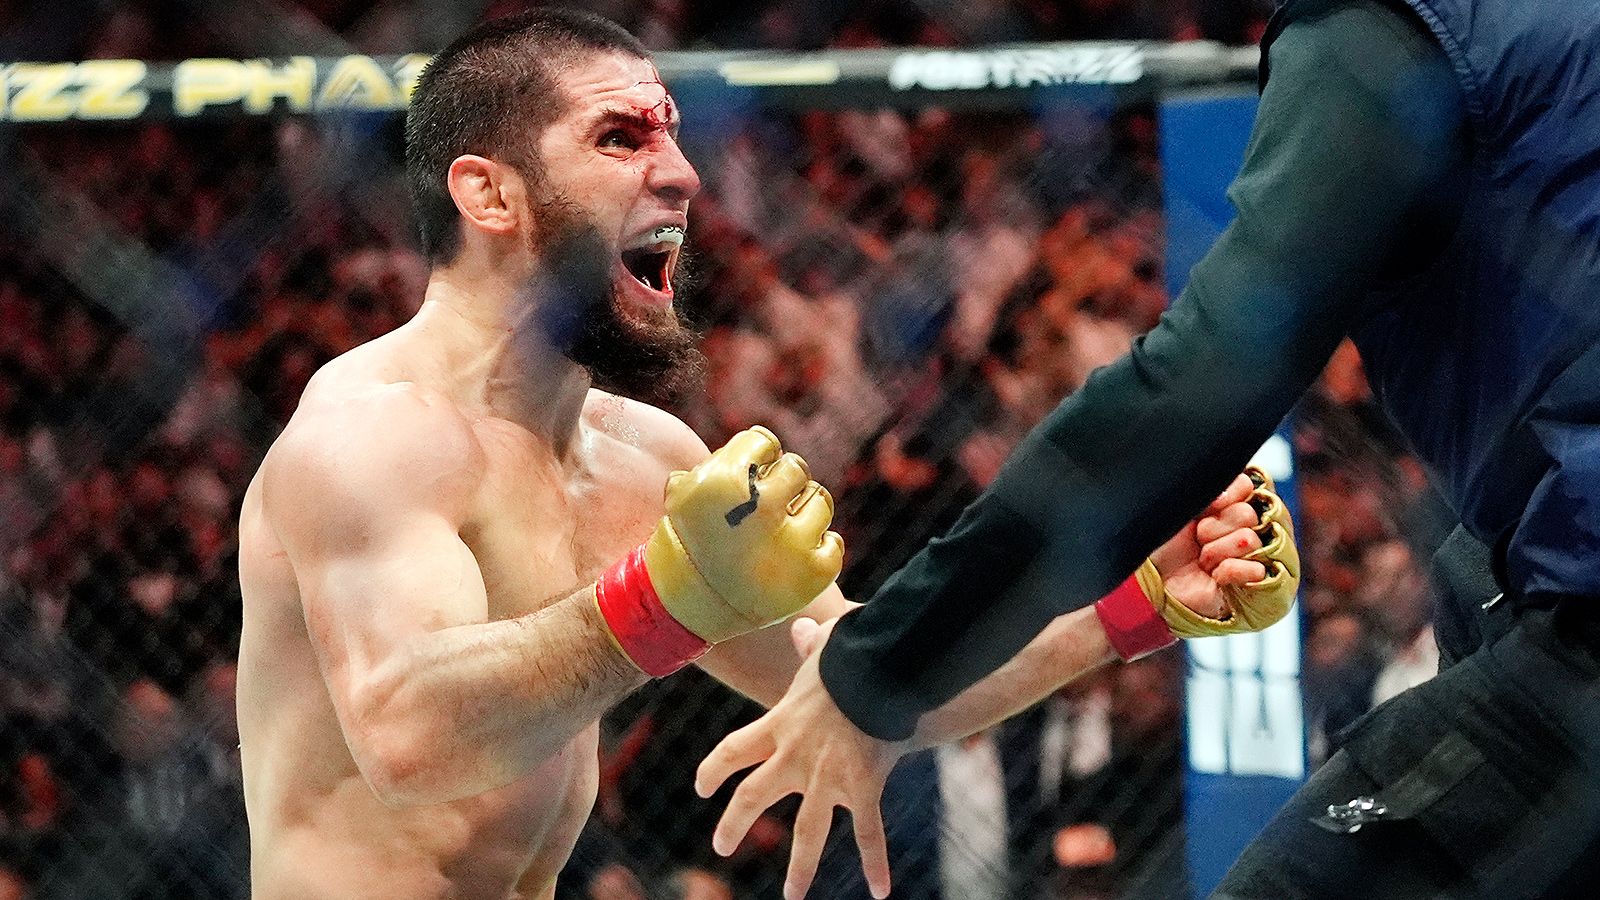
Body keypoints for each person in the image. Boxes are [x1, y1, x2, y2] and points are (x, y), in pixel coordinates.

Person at [234, 9, 1297, 900]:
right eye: (620, 138)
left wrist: (1129, 609)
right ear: (490, 194)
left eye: (672, 135)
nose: (683, 175)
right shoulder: (376, 433)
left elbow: (867, 678)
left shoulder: (643, 459)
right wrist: (664, 601)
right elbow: (409, 738)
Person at [697, 0, 1600, 897]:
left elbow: (1208, 375)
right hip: (1559, 571)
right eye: (632, 135)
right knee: (1475, 581)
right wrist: (1119, 613)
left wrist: (876, 669)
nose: (674, 174)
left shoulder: (1396, 33)